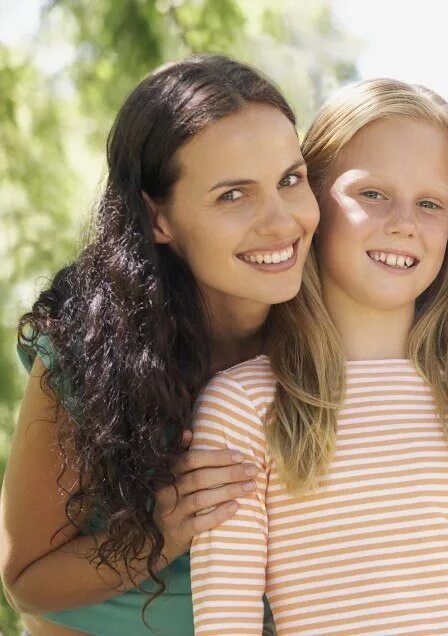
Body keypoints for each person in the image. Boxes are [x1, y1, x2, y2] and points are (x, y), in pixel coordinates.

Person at [188, 79, 448, 635]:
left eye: (429, 203)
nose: (404, 222)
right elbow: (224, 624)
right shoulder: (244, 407)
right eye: (372, 194)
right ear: (312, 203)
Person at [0, 55, 319, 635]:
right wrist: (164, 531)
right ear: (157, 218)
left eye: (290, 180)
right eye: (232, 196)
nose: (281, 222)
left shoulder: (337, 330)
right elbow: (25, 579)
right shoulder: (89, 349)